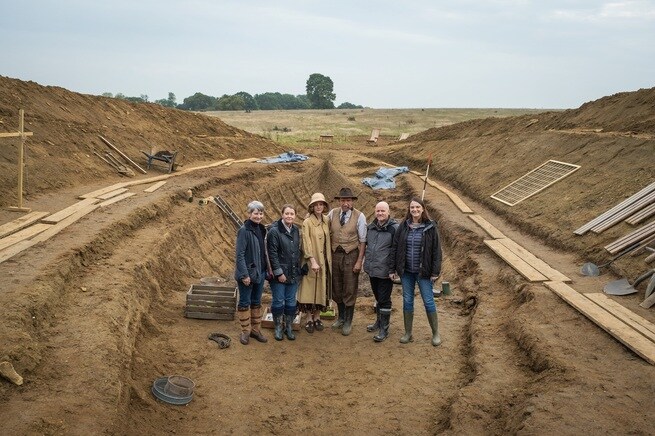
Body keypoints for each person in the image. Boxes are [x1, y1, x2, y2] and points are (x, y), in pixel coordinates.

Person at [390, 197, 442, 346]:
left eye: (417, 207)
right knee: (407, 300)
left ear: (423, 209)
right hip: (406, 272)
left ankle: (435, 333)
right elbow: (395, 247)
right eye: (412, 207)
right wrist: (393, 268)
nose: (415, 210)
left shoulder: (431, 227)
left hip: (424, 272)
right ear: (409, 209)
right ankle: (408, 333)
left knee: (428, 300)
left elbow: (437, 251)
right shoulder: (404, 226)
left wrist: (435, 271)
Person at [328, 187, 367, 336]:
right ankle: (341, 318)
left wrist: (359, 262)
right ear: (339, 201)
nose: (345, 203)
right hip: (335, 255)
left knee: (349, 289)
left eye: (348, 200)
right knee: (336, 288)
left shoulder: (360, 216)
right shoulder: (332, 214)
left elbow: (363, 241)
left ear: (352, 202)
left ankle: (348, 321)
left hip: (351, 255)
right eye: (343, 200)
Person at [234, 200, 269, 345]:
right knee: (244, 302)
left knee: (256, 302)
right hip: (247, 274)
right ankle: (245, 331)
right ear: (249, 214)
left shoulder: (261, 229)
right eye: (255, 213)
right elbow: (240, 254)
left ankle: (255, 330)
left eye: (261, 213)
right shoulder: (244, 231)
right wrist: (244, 275)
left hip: (260, 273)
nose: (258, 216)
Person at [297, 193, 332, 334]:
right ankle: (308, 318)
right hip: (313, 261)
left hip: (324, 261)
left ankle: (317, 316)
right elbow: (306, 242)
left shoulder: (326, 220)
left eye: (321, 204)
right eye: (316, 204)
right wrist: (312, 260)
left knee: (321, 289)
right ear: (312, 207)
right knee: (310, 290)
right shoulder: (307, 222)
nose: (319, 207)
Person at [363, 201, 398, 342]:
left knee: (384, 300)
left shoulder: (394, 229)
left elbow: (397, 250)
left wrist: (393, 269)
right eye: (378, 211)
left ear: (388, 212)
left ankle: (384, 328)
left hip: (385, 271)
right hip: (372, 270)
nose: (380, 213)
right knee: (377, 297)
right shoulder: (371, 228)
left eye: (383, 211)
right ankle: (378, 322)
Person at [266, 204, 302, 341]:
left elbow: (296, 251)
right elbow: (272, 254)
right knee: (278, 301)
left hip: (292, 273)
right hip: (279, 275)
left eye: (292, 214)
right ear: (282, 215)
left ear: (295, 216)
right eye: (287, 213)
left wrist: (299, 269)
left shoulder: (296, 230)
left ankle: (289, 327)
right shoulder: (274, 232)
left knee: (291, 301)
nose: (289, 216)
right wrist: (278, 272)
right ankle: (278, 328)